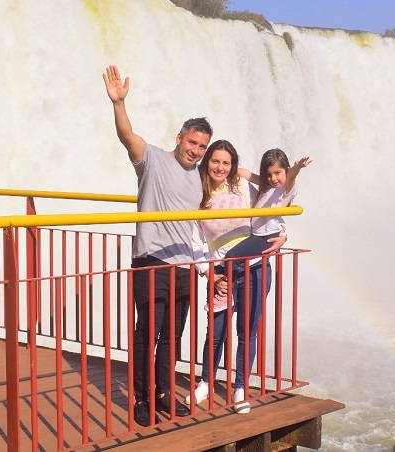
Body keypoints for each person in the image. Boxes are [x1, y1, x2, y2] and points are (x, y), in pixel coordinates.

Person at [103, 65, 216, 427]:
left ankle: (165, 395)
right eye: (192, 143)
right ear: (180, 137)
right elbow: (126, 136)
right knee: (146, 334)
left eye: (201, 147)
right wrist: (119, 103)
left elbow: (233, 173)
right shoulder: (152, 158)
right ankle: (141, 398)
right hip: (151, 260)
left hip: (183, 265)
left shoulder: (200, 179)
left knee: (173, 335)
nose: (195, 151)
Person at [187, 140, 286, 414]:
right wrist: (209, 273)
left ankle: (240, 387)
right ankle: (206, 382)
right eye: (215, 161)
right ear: (207, 162)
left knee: (246, 331)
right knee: (215, 332)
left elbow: (271, 209)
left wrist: (284, 234)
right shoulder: (198, 195)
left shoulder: (243, 186)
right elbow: (195, 243)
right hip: (220, 273)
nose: (220, 167)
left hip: (254, 267)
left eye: (226, 162)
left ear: (233, 166)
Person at [230, 148, 311, 259]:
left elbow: (291, 176)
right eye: (268, 174)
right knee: (235, 257)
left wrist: (297, 167)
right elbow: (246, 174)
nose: (273, 178)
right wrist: (226, 168)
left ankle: (231, 276)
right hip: (257, 234)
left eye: (277, 173)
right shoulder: (267, 186)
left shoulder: (285, 190)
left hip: (267, 236)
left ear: (287, 170)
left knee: (231, 256)